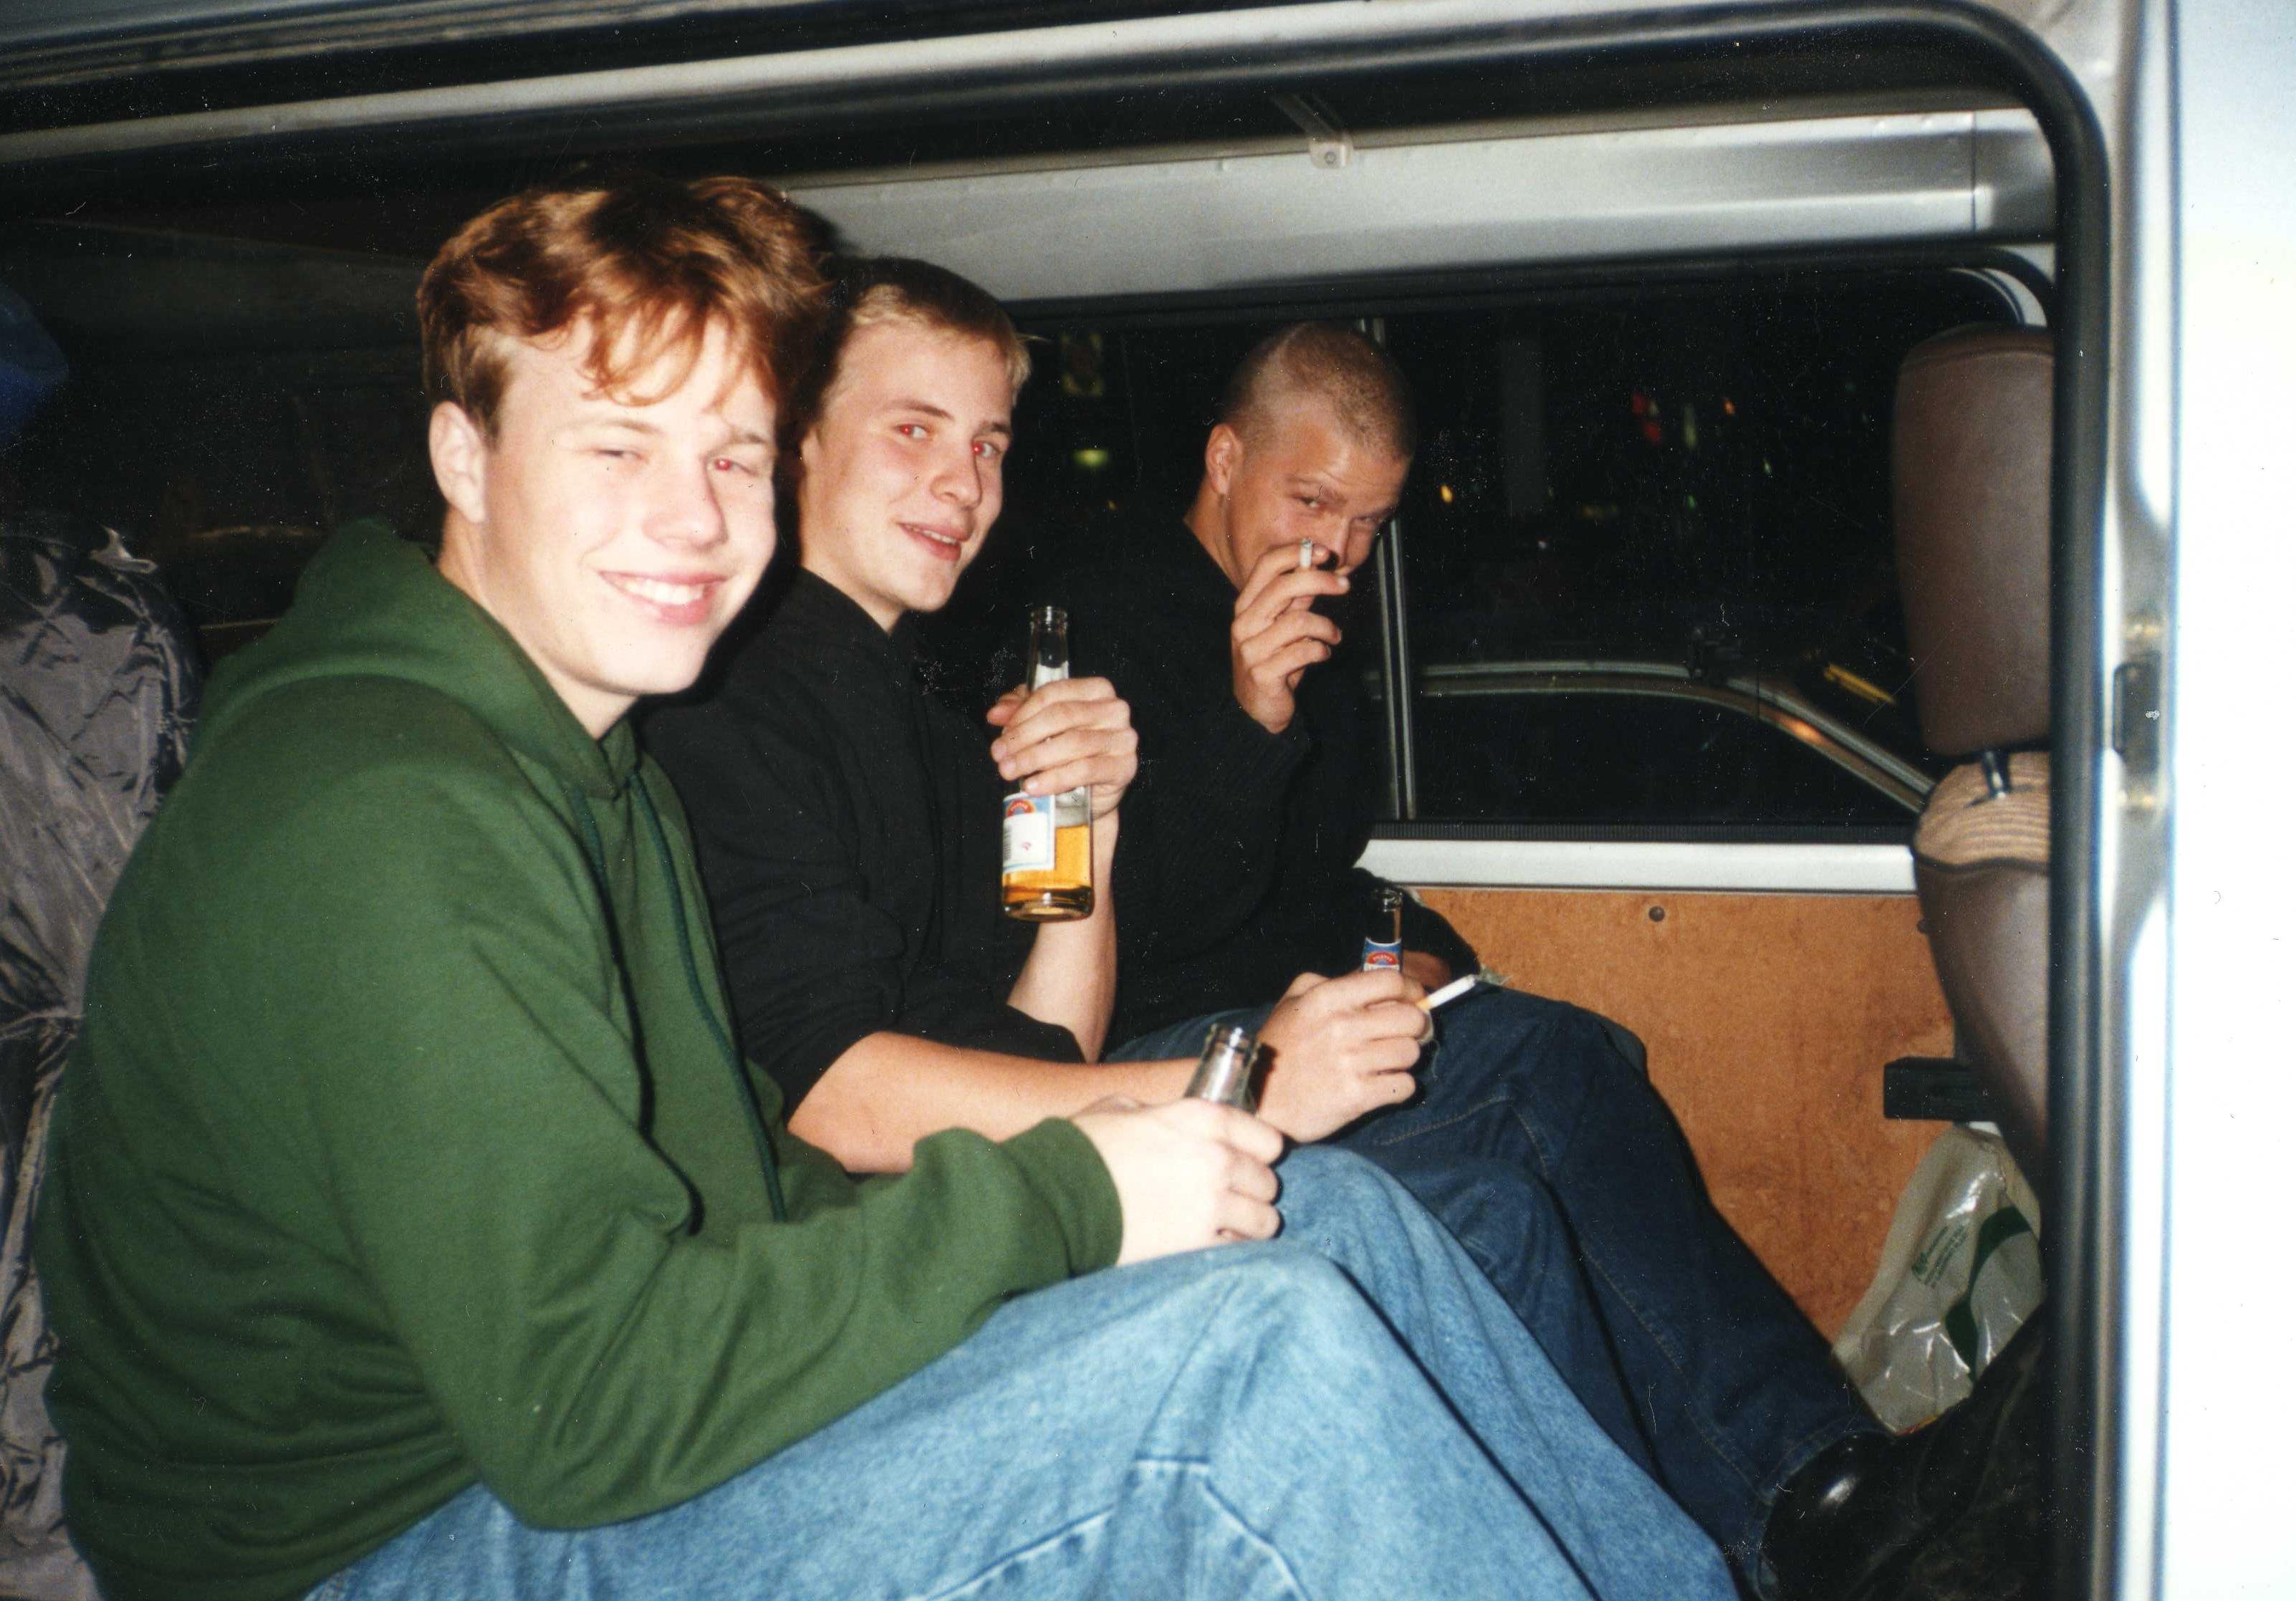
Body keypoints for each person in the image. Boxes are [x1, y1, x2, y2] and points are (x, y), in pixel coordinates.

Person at [30, 175, 1734, 1601]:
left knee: (1329, 1226)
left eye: (727, 453)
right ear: (465, 459)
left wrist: (1080, 836)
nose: (691, 518)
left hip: (566, 1427)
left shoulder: (604, 757)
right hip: (380, 1539)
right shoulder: (394, 806)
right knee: (1249, 1360)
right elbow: (593, 1399)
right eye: (618, 448)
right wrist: (1088, 1186)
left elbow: (920, 1100)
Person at [653, 272, 2017, 1601]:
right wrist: (1238, 1045)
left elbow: (1090, 996)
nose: (962, 483)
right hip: (1022, 1152)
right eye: (915, 430)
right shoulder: (866, 667)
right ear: (794, 438)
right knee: (1538, 1075)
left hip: (1079, 1099)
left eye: (989, 444)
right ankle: (1817, 1506)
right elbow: (875, 1074)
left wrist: (1381, 934)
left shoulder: (913, 692)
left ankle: (1706, 1551)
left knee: (1509, 1176)